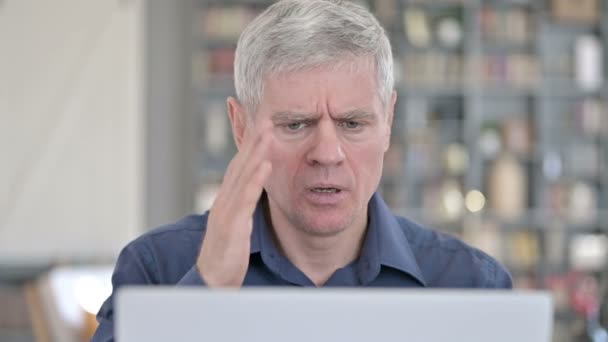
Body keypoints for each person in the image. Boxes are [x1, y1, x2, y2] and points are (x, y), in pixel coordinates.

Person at [92, 0, 512, 340]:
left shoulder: (473, 284)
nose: (327, 153)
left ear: (388, 122)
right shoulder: (157, 270)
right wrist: (208, 289)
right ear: (240, 126)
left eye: (352, 123)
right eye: (295, 124)